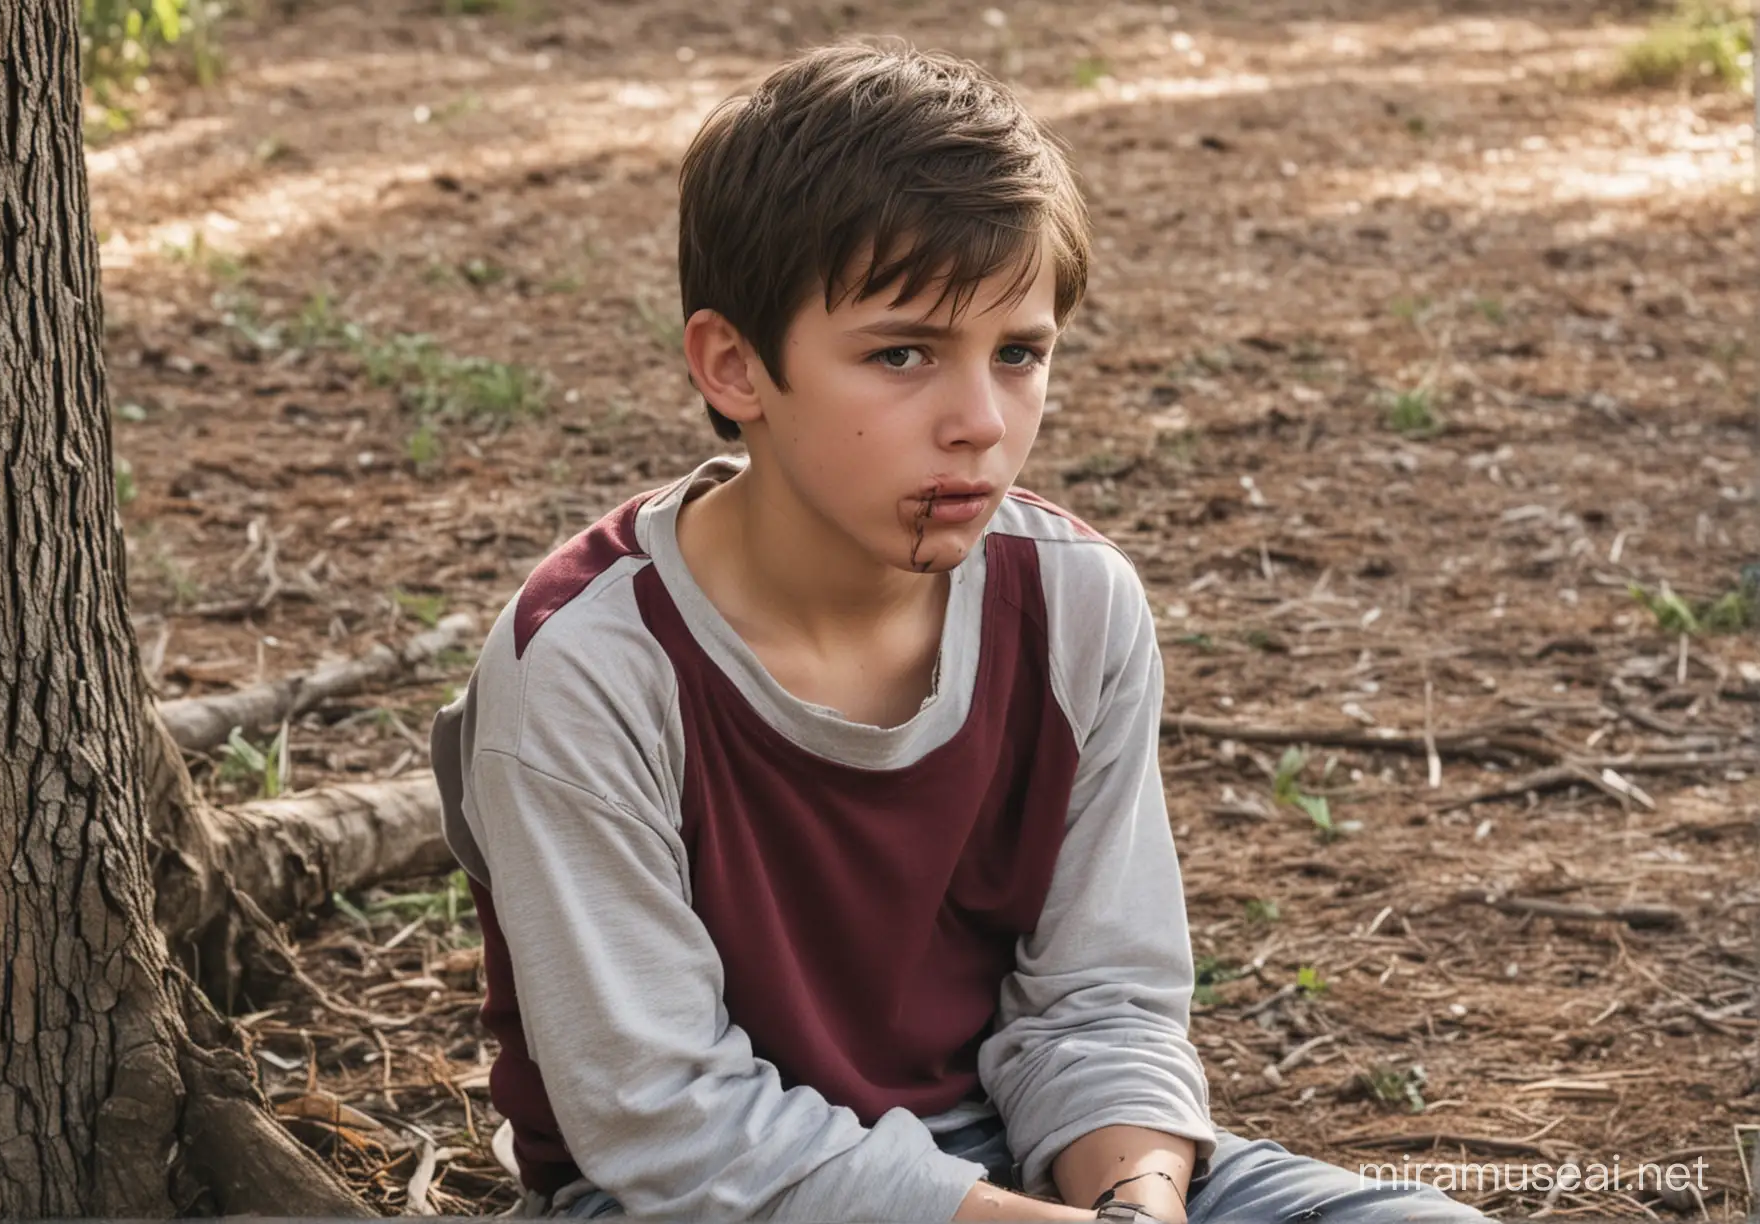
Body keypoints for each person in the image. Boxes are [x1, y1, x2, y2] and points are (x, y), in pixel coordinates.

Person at [429, 39, 1486, 1224]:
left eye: (1020, 354)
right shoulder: (591, 664)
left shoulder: (1075, 603)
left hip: (1020, 1168)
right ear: (736, 365)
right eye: (901, 354)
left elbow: (1100, 1003)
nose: (980, 423)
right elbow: (669, 1126)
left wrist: (1137, 1206)